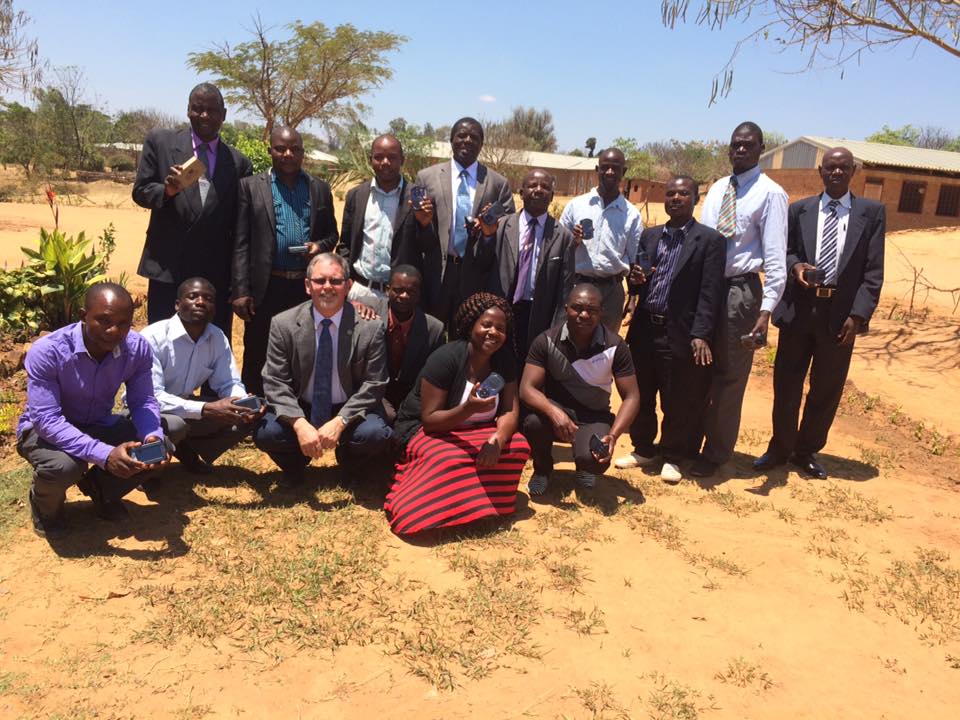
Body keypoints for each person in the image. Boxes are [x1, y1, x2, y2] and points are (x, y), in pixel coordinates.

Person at [754, 147, 885, 479]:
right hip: (800, 310)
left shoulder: (871, 213)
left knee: (826, 388)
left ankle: (806, 450)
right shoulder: (800, 211)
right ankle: (780, 448)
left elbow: (873, 273)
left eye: (843, 168)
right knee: (787, 384)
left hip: (840, 316)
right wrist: (796, 265)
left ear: (853, 171)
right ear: (820, 172)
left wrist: (857, 317)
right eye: (830, 168)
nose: (836, 173)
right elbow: (783, 253)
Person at [16, 283, 164, 536]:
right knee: (63, 467)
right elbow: (47, 420)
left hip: (98, 422)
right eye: (103, 320)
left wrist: (153, 436)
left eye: (123, 323)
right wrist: (105, 455)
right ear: (83, 316)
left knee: (155, 450)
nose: (114, 330)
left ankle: (101, 491)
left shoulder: (136, 348)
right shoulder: (49, 351)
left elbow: (143, 401)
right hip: (44, 431)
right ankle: (44, 507)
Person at [385, 293, 530, 536]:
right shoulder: (447, 357)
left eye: (500, 328)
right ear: (471, 324)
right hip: (425, 429)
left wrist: (497, 440)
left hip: (477, 430)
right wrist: (469, 408)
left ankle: (482, 507)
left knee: (518, 445)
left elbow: (509, 410)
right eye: (486, 324)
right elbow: (430, 421)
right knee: (447, 458)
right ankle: (423, 507)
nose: (493, 332)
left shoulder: (504, 360)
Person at [614, 177, 726, 482]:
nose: (676, 198)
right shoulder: (650, 236)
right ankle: (644, 448)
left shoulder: (710, 241)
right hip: (645, 329)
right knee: (642, 392)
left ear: (696, 198)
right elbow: (638, 279)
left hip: (680, 332)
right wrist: (635, 280)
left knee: (678, 396)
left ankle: (673, 455)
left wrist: (701, 334)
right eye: (671, 193)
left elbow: (710, 292)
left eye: (684, 193)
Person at [692, 121, 787, 478]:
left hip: (741, 294)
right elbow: (701, 240)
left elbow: (776, 259)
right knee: (698, 367)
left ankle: (716, 453)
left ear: (761, 148)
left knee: (730, 376)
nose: (741, 150)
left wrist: (765, 313)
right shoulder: (717, 189)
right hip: (708, 287)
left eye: (748, 145)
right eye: (735, 144)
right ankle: (690, 441)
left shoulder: (770, 194)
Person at [253, 253, 394, 486]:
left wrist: (340, 421)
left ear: (348, 286)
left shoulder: (370, 328)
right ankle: (295, 467)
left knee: (375, 434)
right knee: (266, 432)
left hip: (349, 408)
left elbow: (374, 384)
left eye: (336, 281)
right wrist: (299, 424)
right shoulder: (283, 324)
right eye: (320, 281)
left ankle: (350, 466)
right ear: (308, 286)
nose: (327, 287)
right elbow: (274, 381)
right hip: (303, 406)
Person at [133, 83, 253, 337]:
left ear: (224, 114)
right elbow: (140, 191)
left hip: (214, 277)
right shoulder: (161, 142)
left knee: (213, 351)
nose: (205, 116)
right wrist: (166, 191)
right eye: (198, 109)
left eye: (212, 110)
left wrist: (238, 283)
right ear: (188, 110)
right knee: (163, 347)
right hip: (169, 271)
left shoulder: (239, 163)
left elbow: (240, 229)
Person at [232, 126, 339, 396]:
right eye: (280, 149)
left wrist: (318, 246)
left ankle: (296, 403)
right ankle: (255, 406)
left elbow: (332, 235)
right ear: (270, 151)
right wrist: (241, 290)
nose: (288, 154)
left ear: (303, 153)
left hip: (305, 288)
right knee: (257, 347)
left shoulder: (319, 188)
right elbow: (241, 242)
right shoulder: (250, 187)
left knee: (301, 347)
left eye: (294, 149)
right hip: (265, 285)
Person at [520, 284, 640, 495]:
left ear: (601, 312)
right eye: (577, 308)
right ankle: (542, 469)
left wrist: (612, 436)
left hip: (594, 416)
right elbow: (527, 388)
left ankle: (584, 467)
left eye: (592, 310)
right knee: (532, 423)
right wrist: (553, 412)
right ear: (566, 308)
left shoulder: (615, 346)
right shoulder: (546, 341)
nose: (584, 315)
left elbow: (631, 397)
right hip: (557, 411)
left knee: (595, 460)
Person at [139, 277, 264, 474]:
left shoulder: (216, 337)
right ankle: (143, 472)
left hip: (185, 406)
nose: (200, 302)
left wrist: (241, 403)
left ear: (214, 308)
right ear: (177, 305)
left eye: (208, 298)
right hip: (144, 413)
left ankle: (186, 450)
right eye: (192, 296)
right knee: (176, 424)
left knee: (241, 419)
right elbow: (151, 397)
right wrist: (206, 409)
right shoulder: (152, 337)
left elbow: (228, 382)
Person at [414, 117, 516, 328]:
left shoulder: (497, 183)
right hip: (437, 271)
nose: (467, 140)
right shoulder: (427, 177)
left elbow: (508, 228)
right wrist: (423, 223)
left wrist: (489, 232)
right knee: (433, 332)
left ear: (481, 144)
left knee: (469, 335)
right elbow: (415, 227)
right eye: (461, 135)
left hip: (477, 272)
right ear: (451, 140)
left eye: (474, 137)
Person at [474, 168, 576, 367]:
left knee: (529, 368)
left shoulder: (563, 237)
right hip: (502, 310)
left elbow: (564, 290)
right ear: (521, 193)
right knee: (497, 366)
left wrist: (557, 329)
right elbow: (482, 264)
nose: (538, 190)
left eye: (545, 187)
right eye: (532, 186)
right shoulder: (501, 226)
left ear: (552, 196)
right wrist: (486, 236)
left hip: (538, 314)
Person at [341, 134, 432, 318]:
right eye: (379, 157)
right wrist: (346, 282)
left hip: (398, 296)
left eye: (392, 157)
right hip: (360, 291)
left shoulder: (417, 197)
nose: (385, 162)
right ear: (371, 160)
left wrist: (424, 223)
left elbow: (428, 247)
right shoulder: (356, 195)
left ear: (402, 160)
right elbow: (345, 244)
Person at [559, 148, 643, 333]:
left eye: (615, 168)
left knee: (605, 347)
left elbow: (634, 259)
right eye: (605, 167)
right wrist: (572, 241)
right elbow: (558, 248)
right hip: (577, 285)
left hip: (611, 292)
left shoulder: (632, 215)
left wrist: (633, 298)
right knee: (570, 340)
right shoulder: (577, 205)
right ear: (598, 170)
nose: (610, 172)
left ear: (624, 172)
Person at [382, 265, 445, 420]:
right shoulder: (370, 313)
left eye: (411, 292)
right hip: (377, 392)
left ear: (418, 296)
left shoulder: (434, 329)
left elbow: (433, 375)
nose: (404, 296)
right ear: (387, 290)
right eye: (398, 290)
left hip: (412, 395)